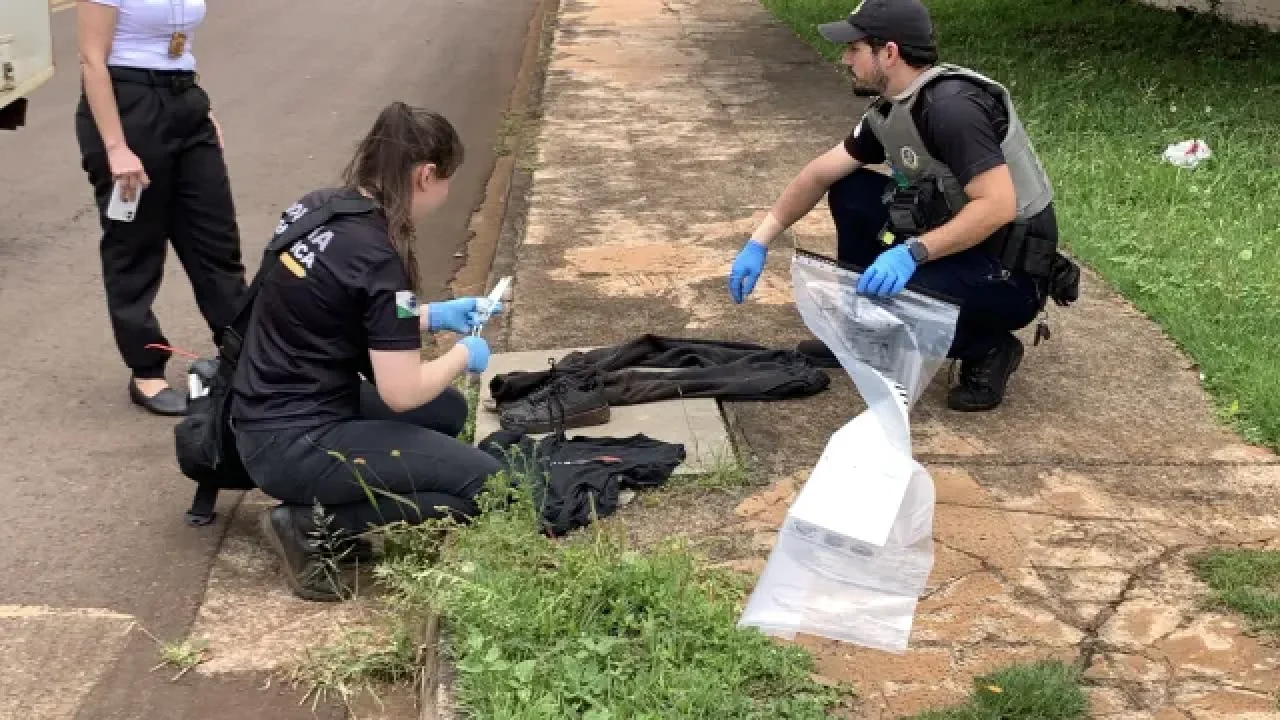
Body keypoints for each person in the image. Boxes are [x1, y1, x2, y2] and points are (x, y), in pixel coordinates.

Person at [728, 0, 1077, 412]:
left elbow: (998, 206)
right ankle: (862, 328)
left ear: (889, 53)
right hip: (958, 249)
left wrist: (911, 254)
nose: (845, 59)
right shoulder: (893, 108)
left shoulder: (953, 109)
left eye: (854, 49)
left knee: (895, 307)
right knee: (850, 187)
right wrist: (759, 241)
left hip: (1007, 274)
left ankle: (988, 347)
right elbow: (819, 174)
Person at [228, 102, 504, 602]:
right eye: (447, 181)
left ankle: (334, 504)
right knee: (487, 486)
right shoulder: (377, 257)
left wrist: (434, 315)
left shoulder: (320, 207)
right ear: (425, 175)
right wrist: (465, 355)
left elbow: (341, 310)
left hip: (263, 411)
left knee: (446, 412)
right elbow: (401, 392)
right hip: (294, 442)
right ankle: (312, 525)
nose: (444, 194)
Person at [76, 0, 247, 416]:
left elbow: (178, 43)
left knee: (216, 240)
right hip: (127, 107)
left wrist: (199, 107)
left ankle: (242, 355)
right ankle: (146, 370)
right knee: (136, 246)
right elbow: (92, 59)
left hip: (184, 100)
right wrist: (116, 147)